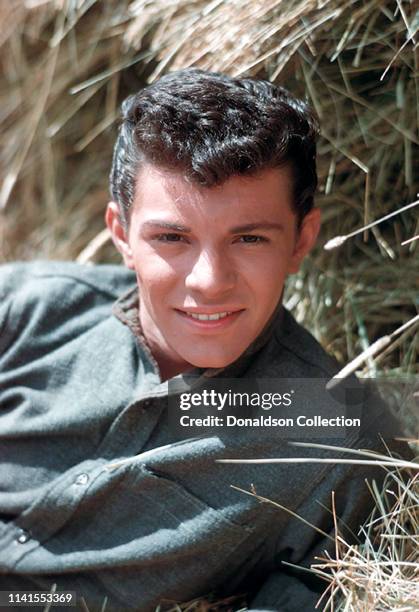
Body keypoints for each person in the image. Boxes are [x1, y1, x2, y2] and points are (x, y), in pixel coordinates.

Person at [0, 69, 410, 611]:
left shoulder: (339, 443)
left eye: (249, 238)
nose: (209, 281)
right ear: (121, 234)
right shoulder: (23, 308)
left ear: (300, 240)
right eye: (172, 237)